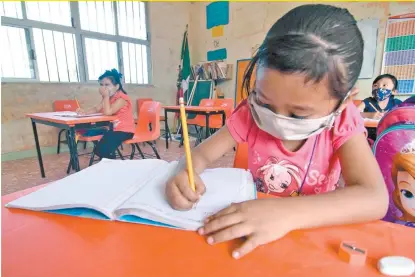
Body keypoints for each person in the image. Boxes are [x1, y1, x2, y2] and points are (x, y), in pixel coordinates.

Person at [165, 4, 388, 258]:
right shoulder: (250, 113)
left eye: (298, 114)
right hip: (252, 233)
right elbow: (201, 155)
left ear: (345, 101)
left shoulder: (343, 121)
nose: (278, 120)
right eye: (265, 102)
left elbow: (374, 197)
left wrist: (285, 213)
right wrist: (185, 170)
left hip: (308, 237)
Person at [77, 69, 135, 159]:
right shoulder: (108, 97)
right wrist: (84, 112)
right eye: (102, 85)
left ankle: (112, 166)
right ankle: (110, 161)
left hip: (124, 130)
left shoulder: (122, 98)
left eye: (107, 85)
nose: (104, 88)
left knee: (101, 150)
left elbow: (108, 112)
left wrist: (106, 96)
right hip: (111, 128)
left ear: (117, 86)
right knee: (86, 132)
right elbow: (97, 108)